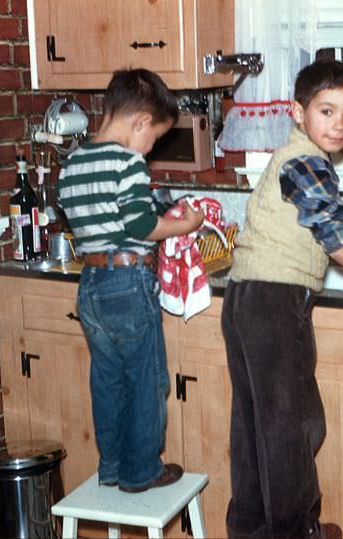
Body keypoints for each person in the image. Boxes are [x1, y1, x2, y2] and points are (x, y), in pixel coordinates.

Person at [221, 59, 343, 539]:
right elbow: (334, 241)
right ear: (297, 111)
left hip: (245, 298)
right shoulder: (308, 163)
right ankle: (296, 531)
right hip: (273, 306)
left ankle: (251, 529)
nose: (340, 125)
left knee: (255, 426)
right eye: (328, 111)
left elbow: (317, 234)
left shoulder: (294, 156)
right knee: (292, 425)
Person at [57, 68, 204, 493]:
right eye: (154, 137)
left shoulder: (71, 164)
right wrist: (185, 223)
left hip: (91, 286)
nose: (151, 147)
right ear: (140, 122)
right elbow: (140, 224)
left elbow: (88, 221)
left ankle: (113, 467)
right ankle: (142, 471)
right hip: (127, 283)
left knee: (107, 379)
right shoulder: (128, 162)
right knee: (146, 378)